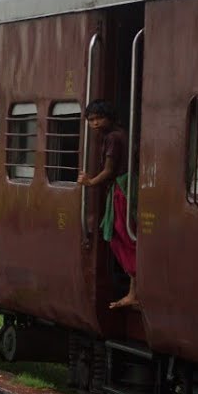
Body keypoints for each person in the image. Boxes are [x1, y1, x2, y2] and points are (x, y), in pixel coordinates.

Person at [77, 100, 137, 309]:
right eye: (91, 120)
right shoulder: (118, 134)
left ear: (108, 117)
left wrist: (89, 182)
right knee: (122, 236)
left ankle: (133, 291)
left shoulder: (112, 138)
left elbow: (110, 170)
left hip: (121, 190)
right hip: (123, 188)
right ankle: (133, 290)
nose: (94, 124)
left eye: (98, 119)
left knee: (122, 237)